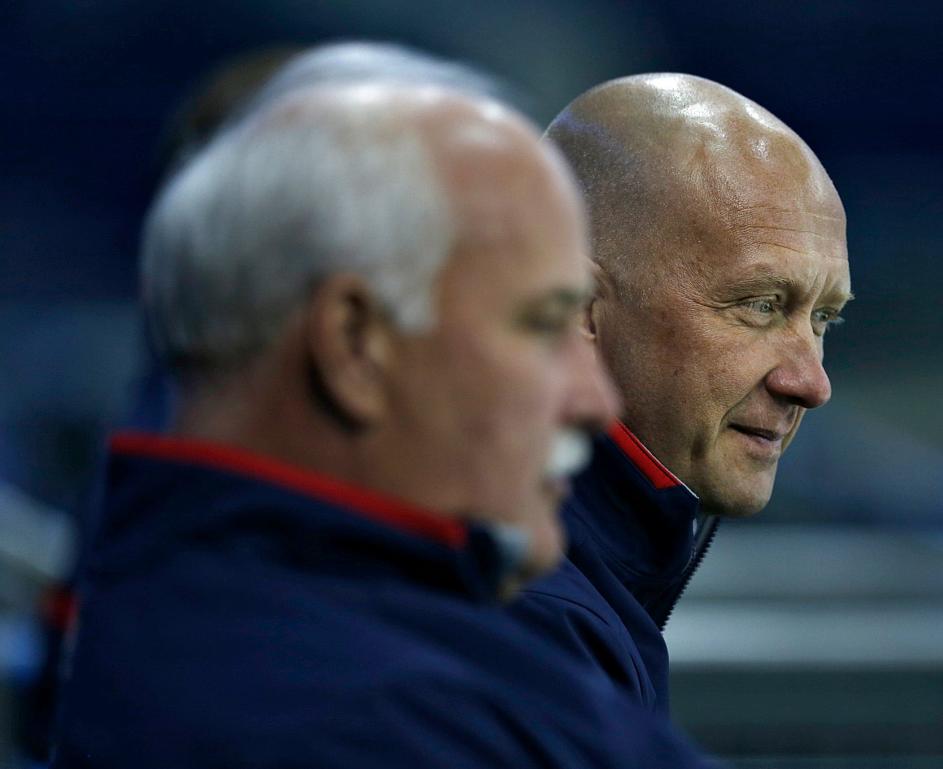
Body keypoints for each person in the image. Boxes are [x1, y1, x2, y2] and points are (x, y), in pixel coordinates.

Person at [51, 68, 715, 767]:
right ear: (355, 342)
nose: (596, 400)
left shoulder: (173, 620)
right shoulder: (392, 726)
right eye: (542, 323)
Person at [510, 73, 853, 713]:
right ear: (578, 306)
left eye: (823, 319)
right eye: (760, 305)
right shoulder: (533, 625)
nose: (810, 383)